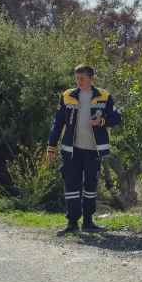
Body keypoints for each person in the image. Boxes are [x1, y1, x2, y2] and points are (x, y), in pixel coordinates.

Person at [46, 64, 120, 235]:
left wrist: (101, 122)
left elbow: (116, 118)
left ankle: (88, 222)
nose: (79, 81)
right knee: (71, 186)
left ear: (92, 78)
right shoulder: (67, 96)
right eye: (77, 78)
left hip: (93, 150)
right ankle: (72, 223)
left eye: (82, 78)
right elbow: (57, 123)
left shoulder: (104, 96)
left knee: (90, 185)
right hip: (71, 150)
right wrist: (51, 147)